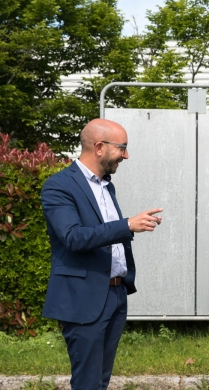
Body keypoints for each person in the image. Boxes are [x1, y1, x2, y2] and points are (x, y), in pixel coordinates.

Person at [41, 118, 163, 390]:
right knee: (87, 382)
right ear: (99, 147)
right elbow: (73, 237)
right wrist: (127, 225)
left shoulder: (107, 186)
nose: (126, 155)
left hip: (116, 294)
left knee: (100, 380)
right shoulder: (58, 186)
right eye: (122, 148)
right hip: (84, 296)